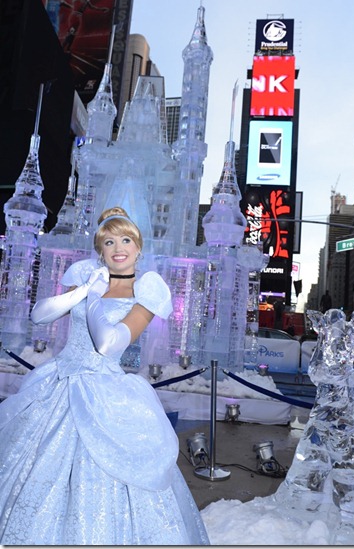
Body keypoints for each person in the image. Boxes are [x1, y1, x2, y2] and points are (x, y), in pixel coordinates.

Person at [0, 207, 210, 545]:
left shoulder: (147, 290)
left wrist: (94, 297)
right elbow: (39, 315)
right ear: (100, 250)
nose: (118, 247)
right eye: (109, 241)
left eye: (126, 239)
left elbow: (108, 343)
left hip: (103, 393)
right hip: (57, 384)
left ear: (138, 247)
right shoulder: (87, 277)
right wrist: (82, 291)